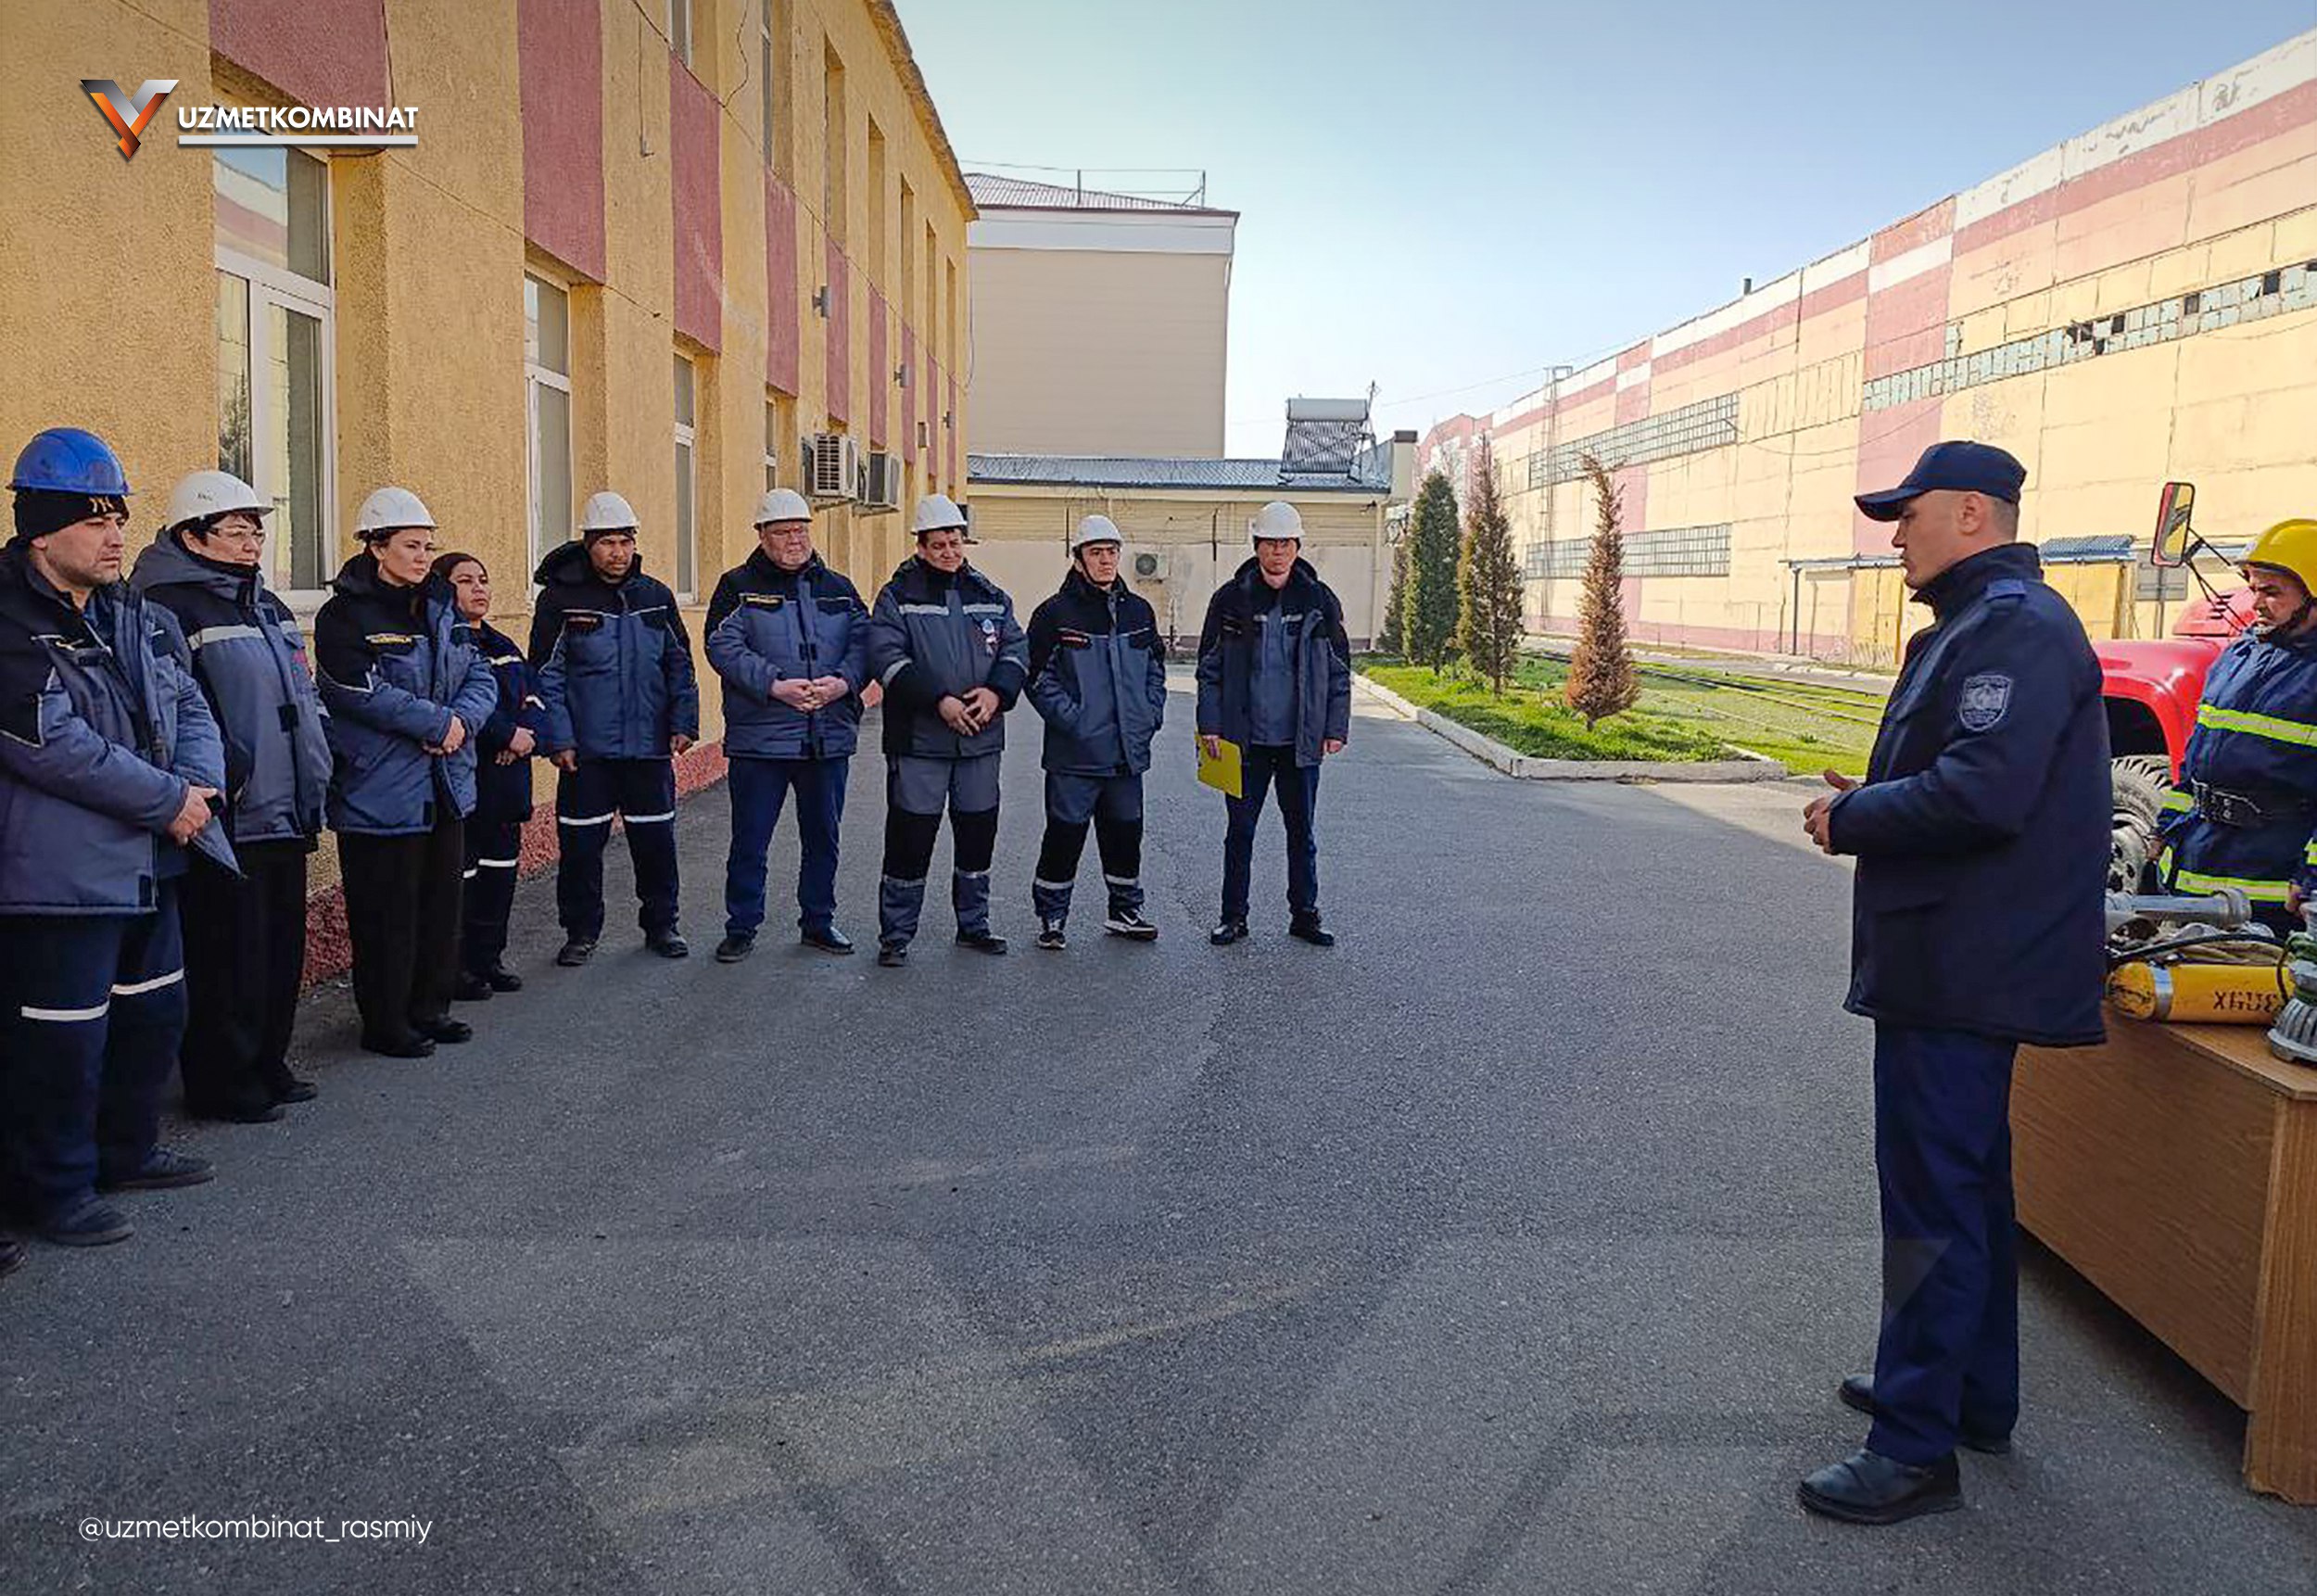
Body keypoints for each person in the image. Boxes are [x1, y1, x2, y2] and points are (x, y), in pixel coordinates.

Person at [1797, 441, 2108, 1525]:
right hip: (1963, 956)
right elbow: (1973, 776)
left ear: (1972, 513)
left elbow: (1980, 793)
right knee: (1967, 1190)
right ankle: (1970, 1394)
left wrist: (1853, 817)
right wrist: (1878, 792)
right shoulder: (1983, 622)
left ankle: (1912, 1444)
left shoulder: (2009, 626)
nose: (1895, 537)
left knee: (1930, 1201)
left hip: (1961, 965)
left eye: (1909, 514)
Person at [0, 427, 226, 1248]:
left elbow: (188, 701)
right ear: (42, 532)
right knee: (61, 1041)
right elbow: (51, 745)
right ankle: (54, 1191)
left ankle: (125, 1150)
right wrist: (169, 800)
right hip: (61, 876)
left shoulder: (128, 612)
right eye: (95, 521)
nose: (116, 536)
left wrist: (198, 785)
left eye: (120, 519)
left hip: (149, 860)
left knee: (153, 1014)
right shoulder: (10, 619)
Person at [131, 470, 332, 1122]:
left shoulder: (266, 605)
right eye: (236, 532)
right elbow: (176, 711)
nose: (252, 544)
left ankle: (269, 1063)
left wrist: (317, 764)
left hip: (286, 804)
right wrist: (224, 782)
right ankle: (223, 1081)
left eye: (257, 533)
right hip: (233, 812)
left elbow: (301, 694)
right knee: (227, 956)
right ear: (192, 536)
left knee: (278, 949)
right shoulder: (167, 606)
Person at [315, 488, 498, 1059]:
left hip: (444, 783)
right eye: (411, 546)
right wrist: (436, 723)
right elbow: (355, 690)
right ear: (376, 547)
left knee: (439, 907)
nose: (423, 557)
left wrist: (461, 723)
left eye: (427, 546)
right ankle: (387, 1022)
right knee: (386, 914)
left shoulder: (440, 607)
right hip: (381, 788)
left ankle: (429, 1008)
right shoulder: (345, 615)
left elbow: (480, 675)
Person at [530, 490, 700, 965]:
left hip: (649, 749)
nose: (618, 552)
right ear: (588, 545)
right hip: (586, 754)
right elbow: (545, 675)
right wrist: (557, 738)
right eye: (607, 543)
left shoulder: (655, 597)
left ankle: (662, 926)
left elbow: (679, 665)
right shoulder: (560, 600)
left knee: (656, 845)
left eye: (625, 542)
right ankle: (580, 933)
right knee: (581, 849)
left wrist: (684, 721)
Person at [863, 492, 1029, 965]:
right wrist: (941, 701)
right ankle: (896, 936)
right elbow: (886, 658)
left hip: (980, 740)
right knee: (910, 838)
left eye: (955, 542)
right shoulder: (898, 597)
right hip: (920, 743)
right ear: (920, 547)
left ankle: (974, 926)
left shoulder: (989, 595)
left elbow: (1016, 649)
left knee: (977, 835)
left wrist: (996, 693)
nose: (949, 552)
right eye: (938, 545)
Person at [703, 488, 867, 961]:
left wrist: (841, 683)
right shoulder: (737, 586)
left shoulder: (839, 588)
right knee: (750, 840)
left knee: (823, 838)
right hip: (761, 739)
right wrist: (775, 685)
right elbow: (722, 646)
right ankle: (741, 927)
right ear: (761, 535)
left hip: (826, 734)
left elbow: (865, 642)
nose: (794, 540)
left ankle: (819, 922)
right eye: (782, 532)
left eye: (800, 530)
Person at [1195, 500, 1351, 947]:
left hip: (1300, 742)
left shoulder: (1319, 600)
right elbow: (1209, 669)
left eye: (1285, 543)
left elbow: (1339, 670)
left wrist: (1335, 726)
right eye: (1269, 543)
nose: (1277, 551)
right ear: (1256, 546)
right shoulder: (1230, 600)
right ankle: (1233, 917)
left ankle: (1305, 915)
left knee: (1301, 834)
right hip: (1244, 742)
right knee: (1240, 833)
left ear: (1297, 547)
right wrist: (1210, 725)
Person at [2156, 518, 2317, 937]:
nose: (2256, 603)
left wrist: (2312, 875)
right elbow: (2198, 757)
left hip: (2271, 886)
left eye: (2272, 592)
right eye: (2253, 588)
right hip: (2199, 867)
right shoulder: (2241, 653)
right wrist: (2166, 826)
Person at [1024, 513, 1168, 950]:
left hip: (1127, 752)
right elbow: (1037, 679)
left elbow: (1155, 670)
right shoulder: (1054, 614)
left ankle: (1125, 911)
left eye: (1111, 552)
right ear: (1078, 558)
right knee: (1064, 835)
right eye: (1096, 552)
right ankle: (1052, 917)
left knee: (1126, 833)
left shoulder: (1139, 611)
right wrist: (1076, 721)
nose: (1106, 560)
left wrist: (1149, 714)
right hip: (1075, 755)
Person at [432, 551, 543, 1000]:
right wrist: (504, 735)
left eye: (483, 579)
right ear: (442, 589)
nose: (479, 588)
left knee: (500, 876)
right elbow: (457, 702)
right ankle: (457, 969)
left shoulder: (503, 645)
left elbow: (532, 697)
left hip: (508, 785)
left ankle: (489, 960)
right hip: (470, 781)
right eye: (465, 581)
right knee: (464, 881)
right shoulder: (446, 645)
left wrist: (527, 734)